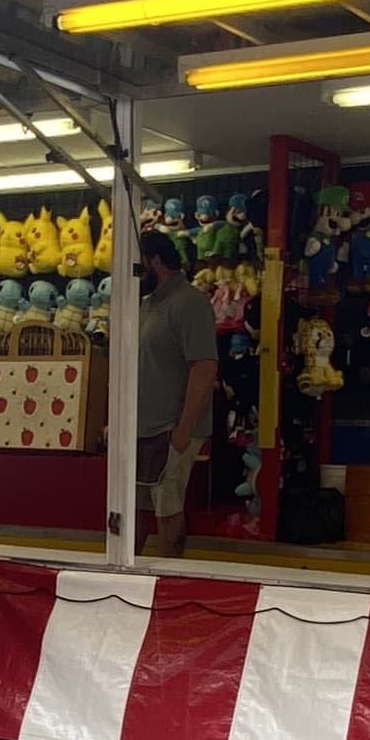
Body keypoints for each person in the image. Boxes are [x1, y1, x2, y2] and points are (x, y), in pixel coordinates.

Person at [134, 229, 218, 558]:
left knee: (167, 507)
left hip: (171, 427)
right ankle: (129, 574)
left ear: (156, 261)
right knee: (136, 506)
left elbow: (204, 368)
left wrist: (184, 430)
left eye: (139, 264)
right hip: (142, 427)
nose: (135, 273)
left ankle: (170, 578)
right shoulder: (146, 305)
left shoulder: (190, 304)